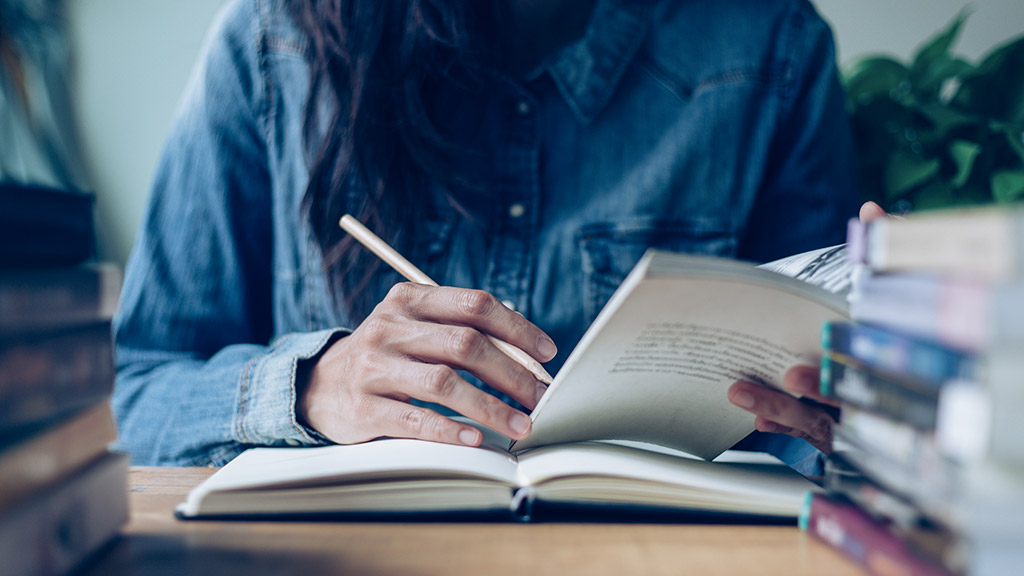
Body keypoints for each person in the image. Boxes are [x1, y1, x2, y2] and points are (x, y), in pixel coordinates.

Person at [114, 0, 865, 475]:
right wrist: (311, 386)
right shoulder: (274, 44)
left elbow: (809, 411)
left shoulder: (774, 47)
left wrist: (865, 397)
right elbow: (141, 390)